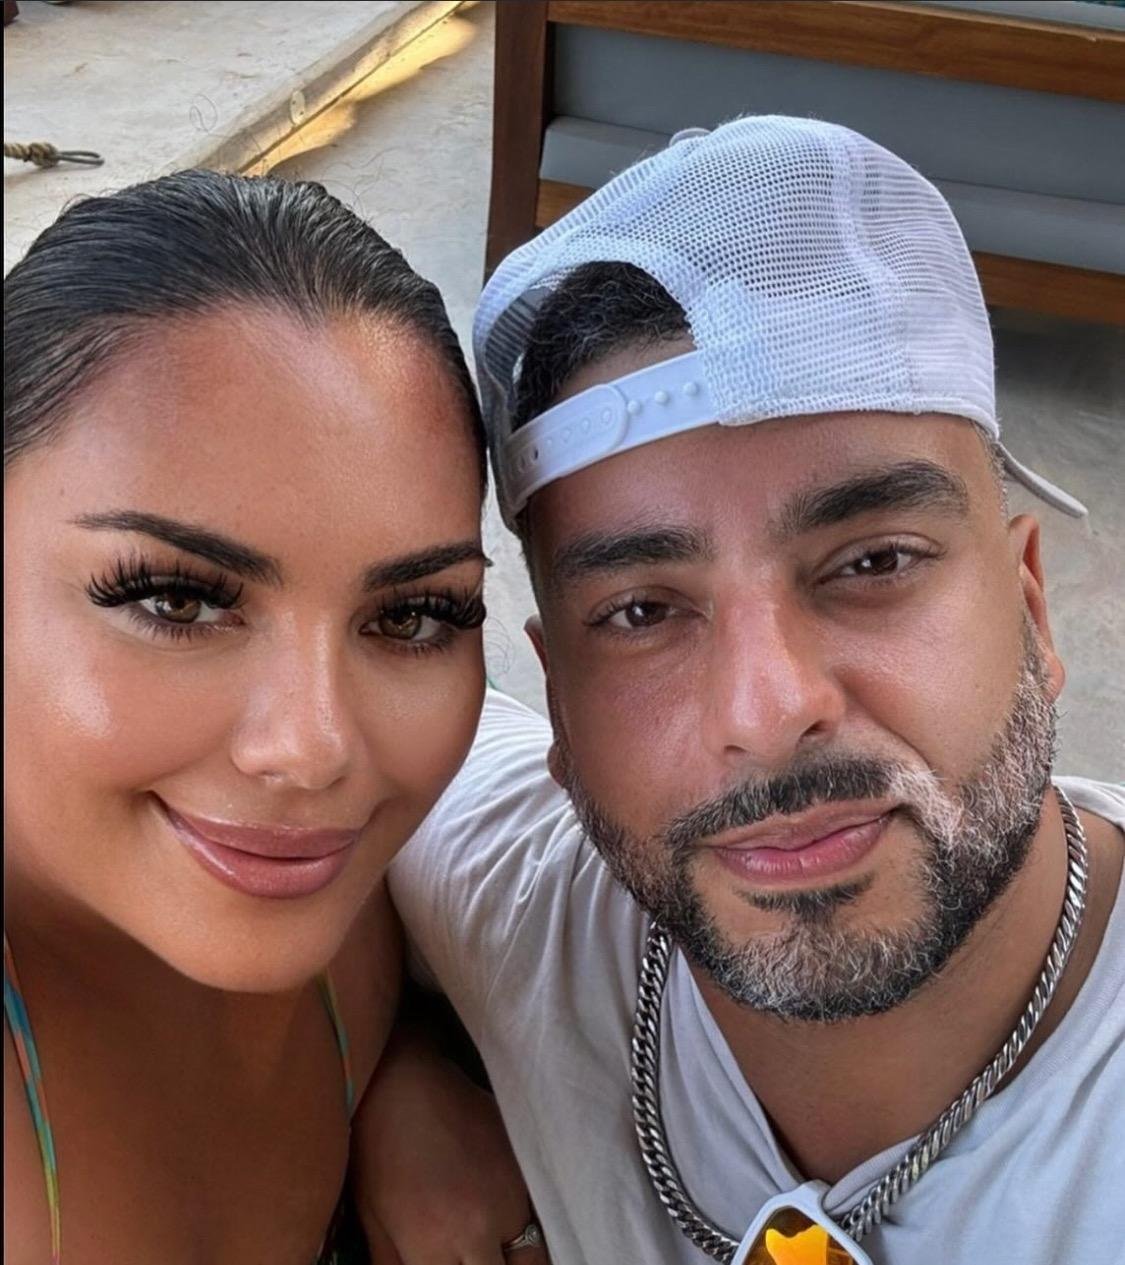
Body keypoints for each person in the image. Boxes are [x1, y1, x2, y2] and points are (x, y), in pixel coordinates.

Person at [373, 118, 1125, 1264]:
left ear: (1031, 605)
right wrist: (386, 1065)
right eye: (641, 612)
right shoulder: (528, 910)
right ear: (560, 707)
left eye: (873, 561)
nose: (767, 711)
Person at [3, 169, 538, 1265]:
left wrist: (397, 1074)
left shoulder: (373, 913)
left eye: (412, 616)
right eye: (176, 600)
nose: (315, 747)